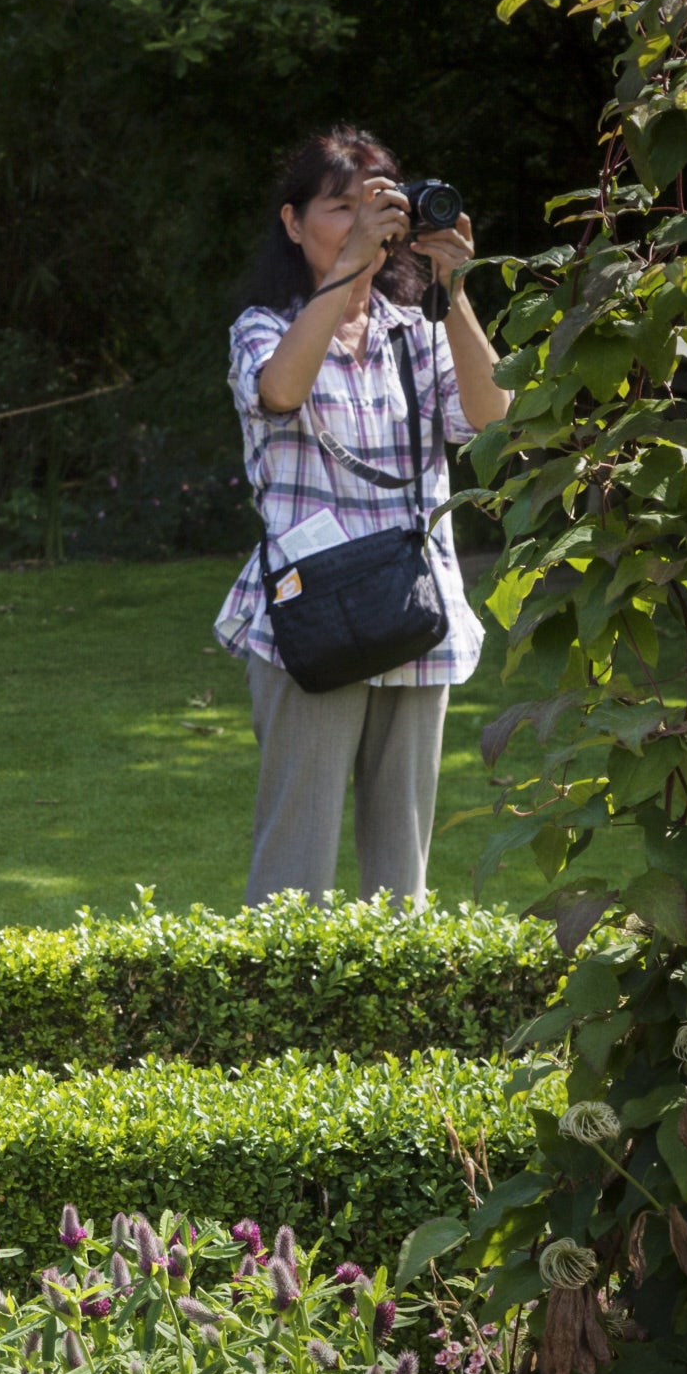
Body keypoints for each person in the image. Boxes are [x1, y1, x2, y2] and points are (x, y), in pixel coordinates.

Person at [216, 126, 507, 907]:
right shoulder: (264, 328)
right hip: (313, 617)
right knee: (292, 873)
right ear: (292, 222)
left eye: (374, 207)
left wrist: (458, 292)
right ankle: (277, 1026)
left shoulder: (419, 332)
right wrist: (344, 276)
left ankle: (397, 1028)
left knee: (401, 876)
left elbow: (490, 416)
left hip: (415, 611)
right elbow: (280, 390)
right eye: (337, 208)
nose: (358, 226)